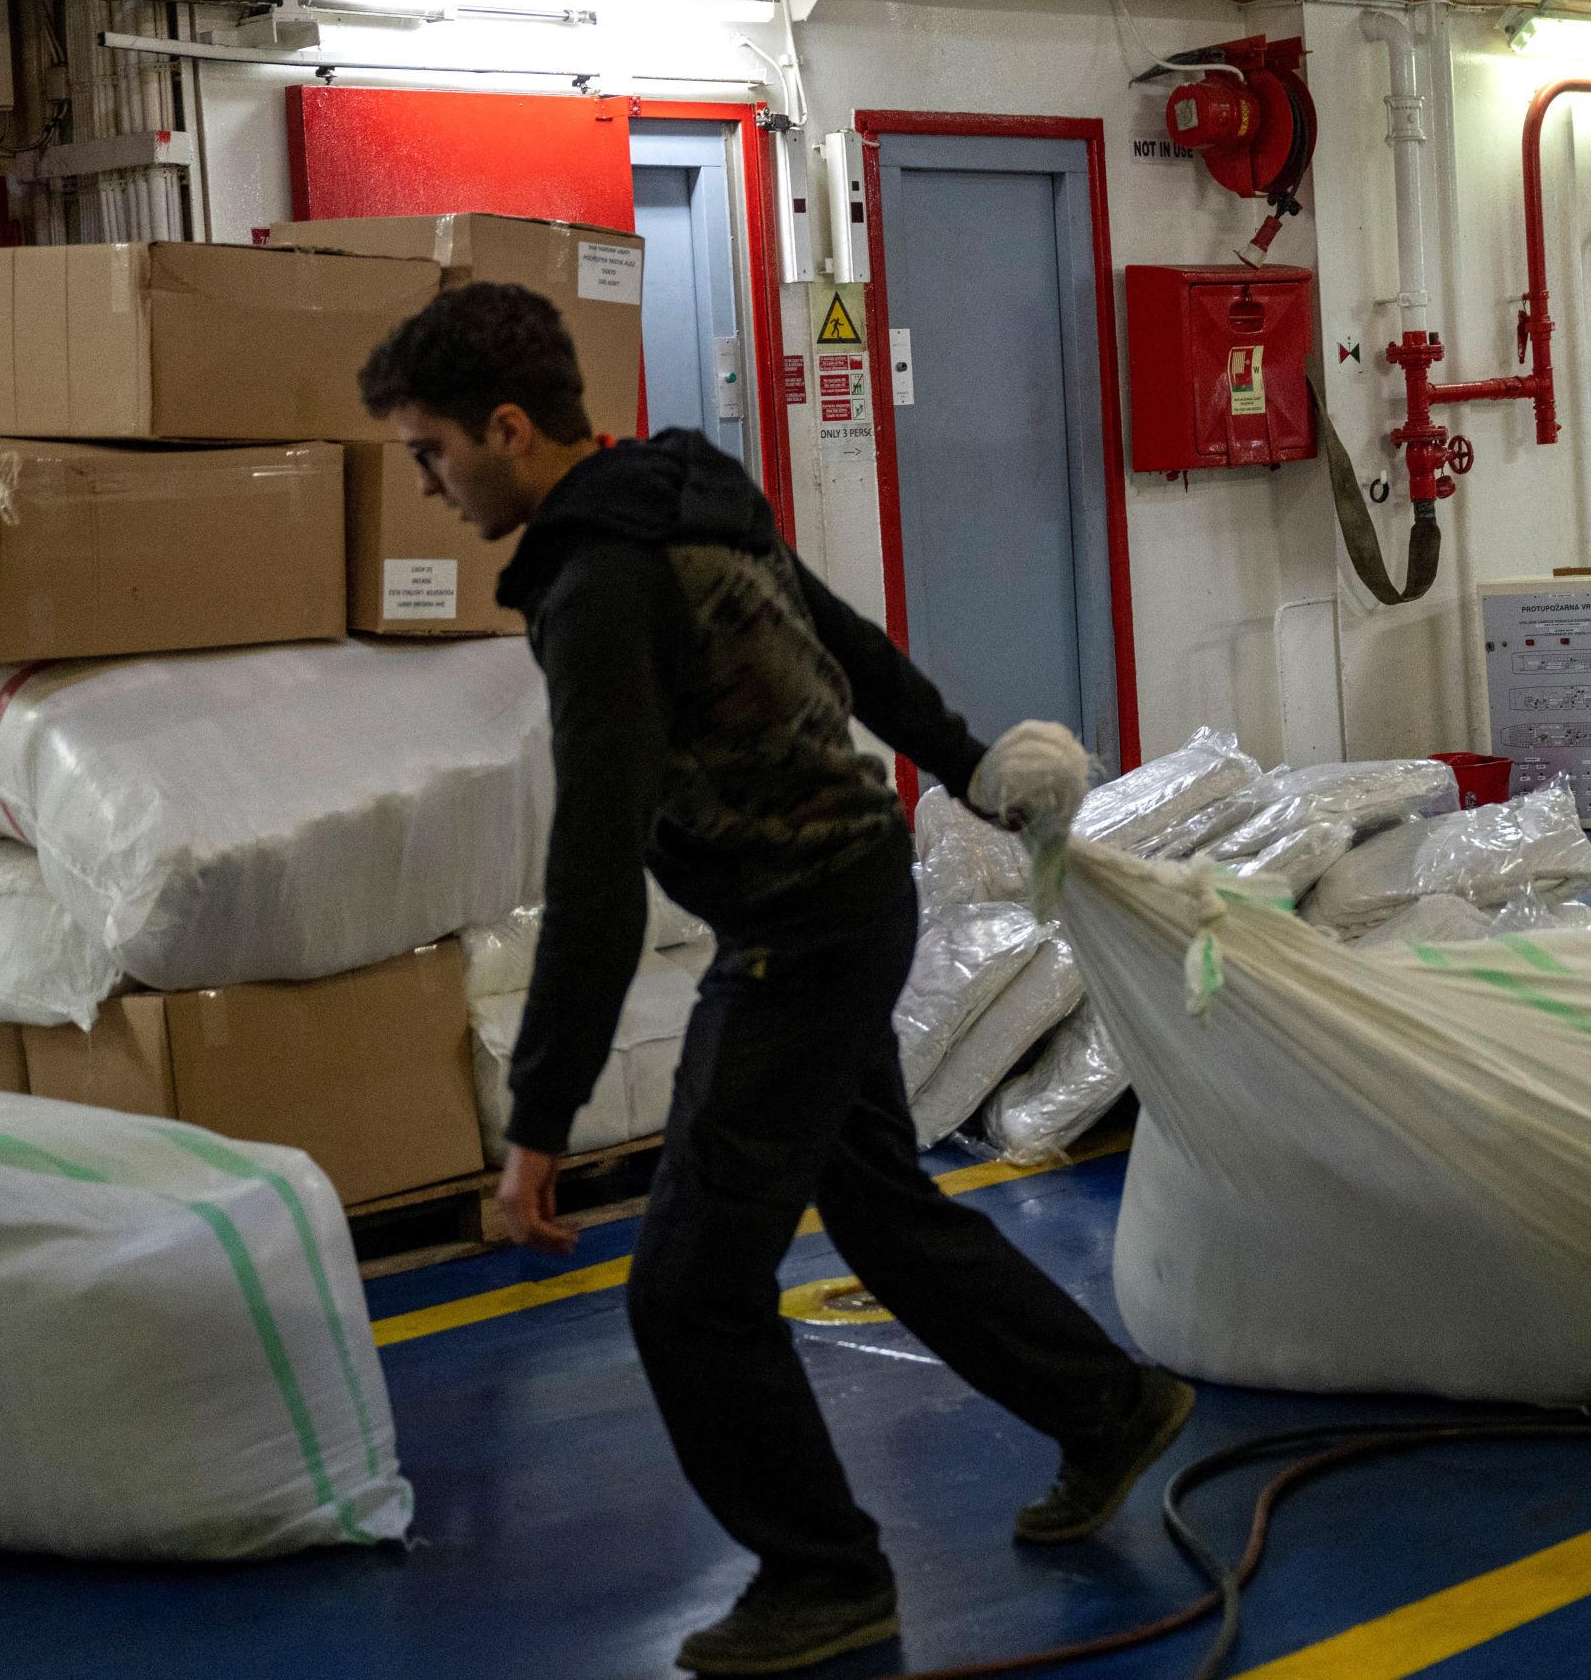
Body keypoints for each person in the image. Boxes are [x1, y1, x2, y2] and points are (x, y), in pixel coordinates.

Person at [359, 283, 1190, 1676]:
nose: (429, 484)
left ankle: (825, 1577)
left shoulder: (597, 580)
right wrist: (964, 758)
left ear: (509, 429)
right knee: (875, 1200)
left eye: (431, 450)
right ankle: (1105, 1405)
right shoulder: (682, 489)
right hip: (855, 886)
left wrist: (538, 1124)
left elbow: (596, 861)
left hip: (798, 930)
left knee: (686, 1289)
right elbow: (850, 645)